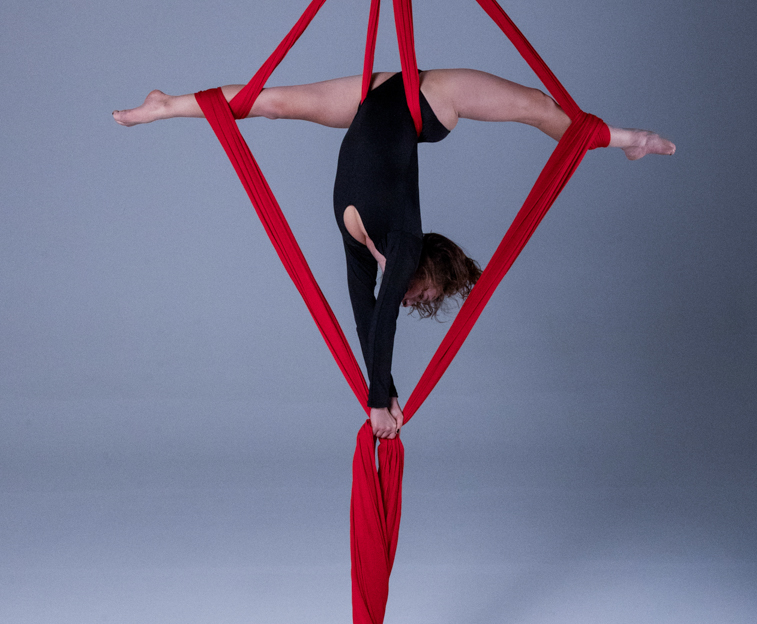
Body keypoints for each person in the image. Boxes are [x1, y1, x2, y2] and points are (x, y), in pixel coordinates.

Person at [114, 68, 675, 439]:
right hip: (432, 96)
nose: (412, 300)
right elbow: (384, 322)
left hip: (374, 97)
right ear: (423, 266)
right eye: (424, 294)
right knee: (539, 108)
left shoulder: (364, 246)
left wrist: (384, 394)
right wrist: (379, 401)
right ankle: (633, 140)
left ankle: (166, 105)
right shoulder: (404, 243)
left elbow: (365, 316)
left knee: (277, 105)